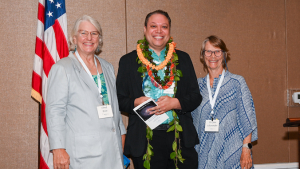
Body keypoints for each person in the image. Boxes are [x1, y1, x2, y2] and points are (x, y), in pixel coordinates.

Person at [116, 10, 202, 169]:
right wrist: (136, 101)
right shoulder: (128, 61)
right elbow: (119, 100)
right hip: (145, 139)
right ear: (145, 29)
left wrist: (176, 103)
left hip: (180, 138)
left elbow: (196, 97)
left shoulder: (183, 59)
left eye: (164, 26)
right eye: (153, 26)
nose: (159, 31)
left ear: (169, 30)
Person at [46, 15, 126, 169]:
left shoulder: (107, 67)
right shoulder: (62, 68)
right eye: (83, 33)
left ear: (99, 39)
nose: (89, 38)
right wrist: (58, 148)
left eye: (94, 33)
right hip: (83, 155)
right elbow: (55, 111)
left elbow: (113, 103)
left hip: (112, 149)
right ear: (74, 39)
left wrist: (121, 133)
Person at [191, 35, 258, 169]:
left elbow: (247, 119)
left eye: (217, 51)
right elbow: (191, 121)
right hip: (204, 153)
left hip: (233, 152)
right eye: (208, 51)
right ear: (203, 56)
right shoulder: (197, 86)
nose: (213, 56)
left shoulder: (237, 83)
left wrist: (247, 149)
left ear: (224, 54)